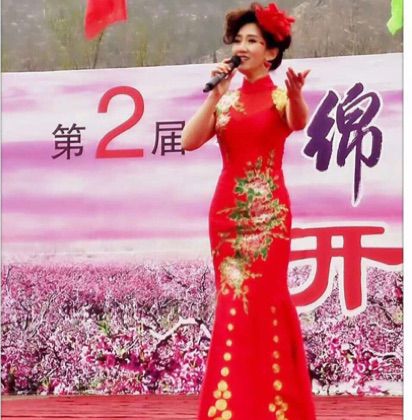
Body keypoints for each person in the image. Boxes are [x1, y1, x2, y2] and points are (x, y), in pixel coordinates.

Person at [181, 2, 316, 419]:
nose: (242, 47)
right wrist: (216, 94)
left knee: (266, 300)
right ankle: (232, 407)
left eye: (252, 41)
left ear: (271, 53)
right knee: (233, 303)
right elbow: (188, 141)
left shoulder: (280, 97)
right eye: (238, 40)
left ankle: (276, 406)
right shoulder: (225, 101)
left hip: (268, 216)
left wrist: (297, 95)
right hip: (227, 217)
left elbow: (297, 122)